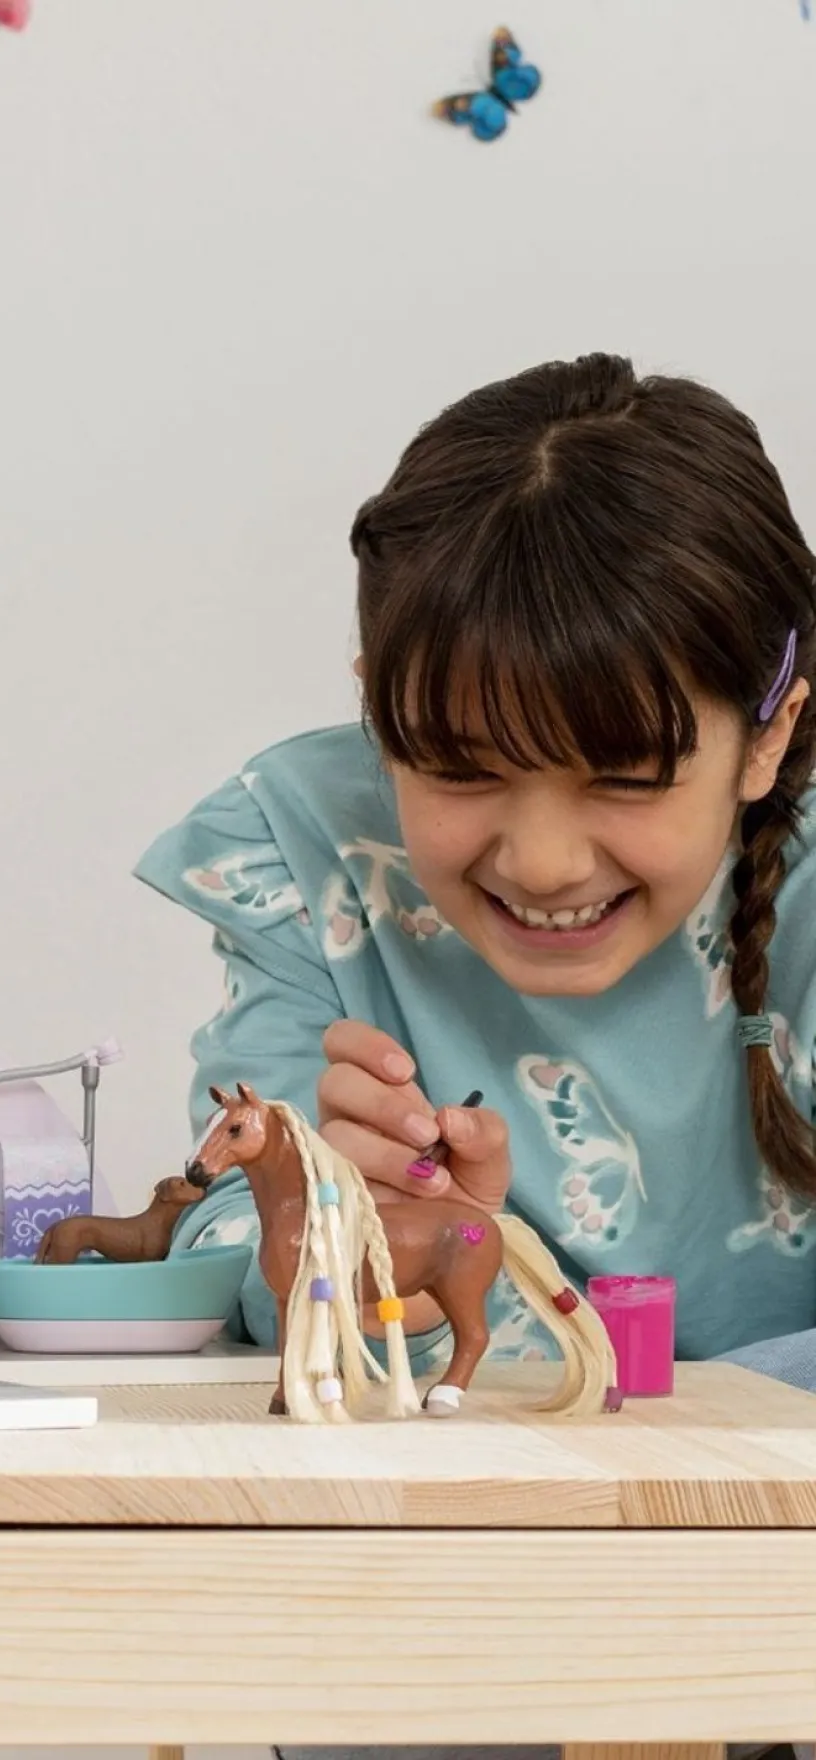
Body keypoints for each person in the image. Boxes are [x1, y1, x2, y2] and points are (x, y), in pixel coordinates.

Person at [136, 353, 816, 1395]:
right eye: (459, 768)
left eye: (626, 778)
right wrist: (373, 1248)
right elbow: (234, 1247)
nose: (541, 862)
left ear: (769, 735)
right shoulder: (310, 850)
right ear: (380, 713)